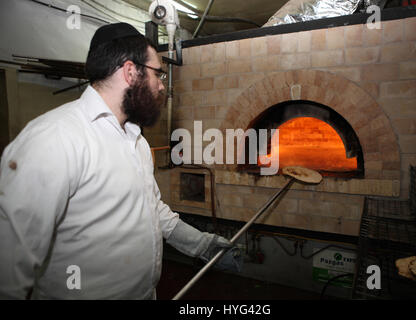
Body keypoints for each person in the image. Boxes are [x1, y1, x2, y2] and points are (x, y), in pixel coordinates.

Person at [0, 23, 242, 300]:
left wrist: (202, 245)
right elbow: (9, 264)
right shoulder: (55, 137)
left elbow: (152, 209)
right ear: (130, 71)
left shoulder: (135, 139)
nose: (162, 86)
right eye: (158, 74)